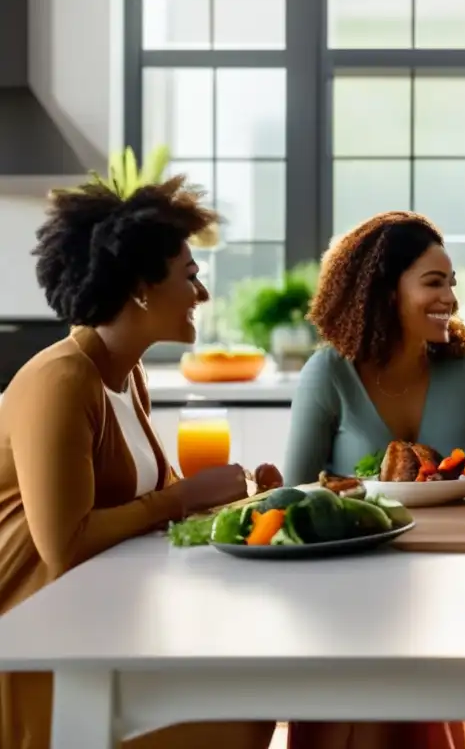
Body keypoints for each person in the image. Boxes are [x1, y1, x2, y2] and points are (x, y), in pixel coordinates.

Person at [0, 178, 276, 748]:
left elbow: (154, 507)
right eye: (191, 276)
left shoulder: (125, 375)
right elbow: (65, 543)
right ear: (142, 288)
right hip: (32, 647)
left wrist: (250, 501)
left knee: (256, 695)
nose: (201, 293)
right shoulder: (61, 379)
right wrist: (187, 495)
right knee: (243, 717)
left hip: (97, 627)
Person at [282, 210, 465, 749]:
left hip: (445, 577)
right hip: (348, 588)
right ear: (385, 290)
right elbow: (295, 495)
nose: (450, 298)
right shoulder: (329, 373)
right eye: (433, 282)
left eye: (452, 283)